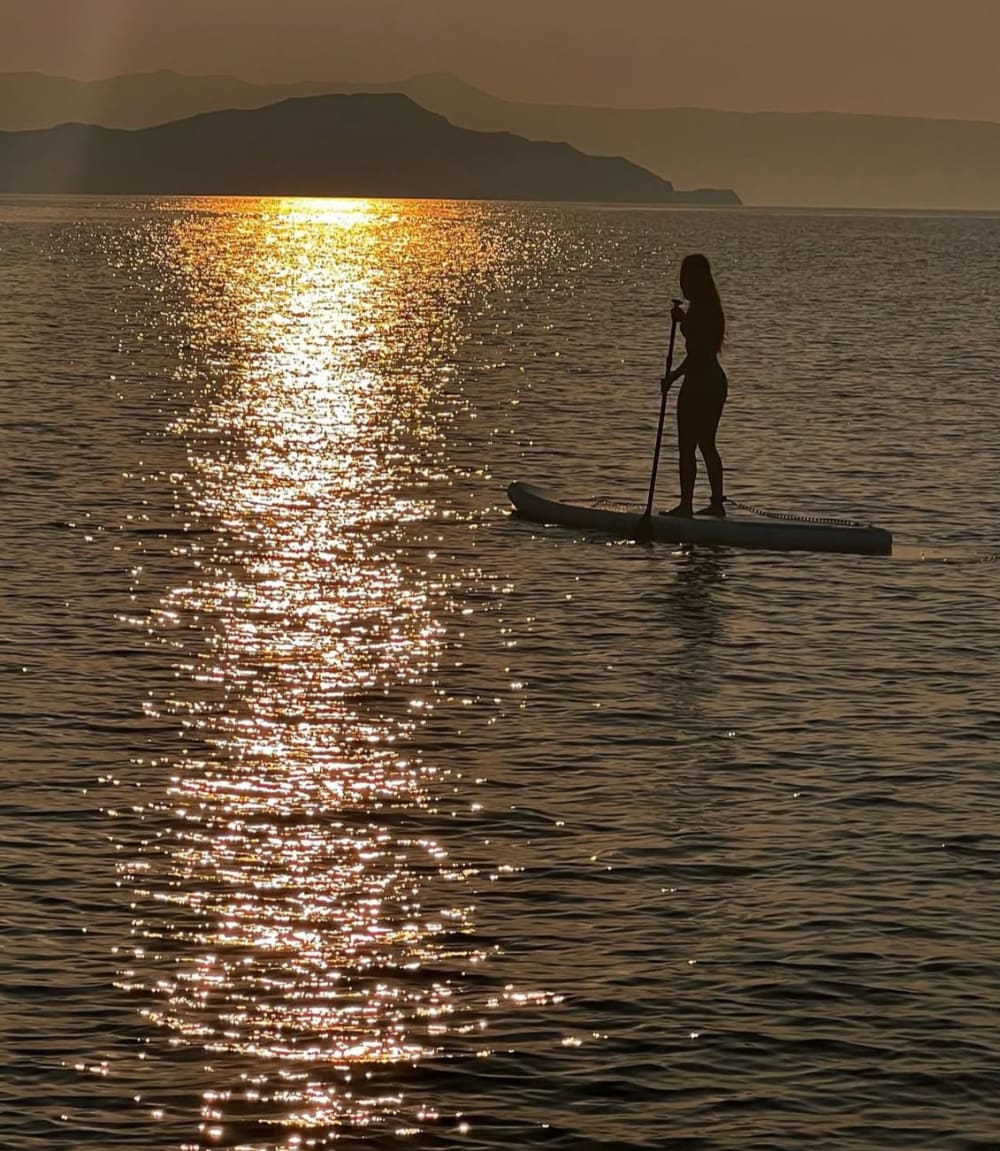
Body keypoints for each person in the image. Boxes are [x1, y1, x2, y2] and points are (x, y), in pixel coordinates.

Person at [661, 253, 727, 518]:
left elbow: (698, 352)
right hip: (713, 381)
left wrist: (673, 377)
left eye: (687, 277)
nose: (683, 283)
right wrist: (681, 321)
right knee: (706, 444)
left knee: (689, 445)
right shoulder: (707, 307)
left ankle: (687, 505)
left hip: (701, 383)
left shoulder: (702, 309)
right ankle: (716, 503)